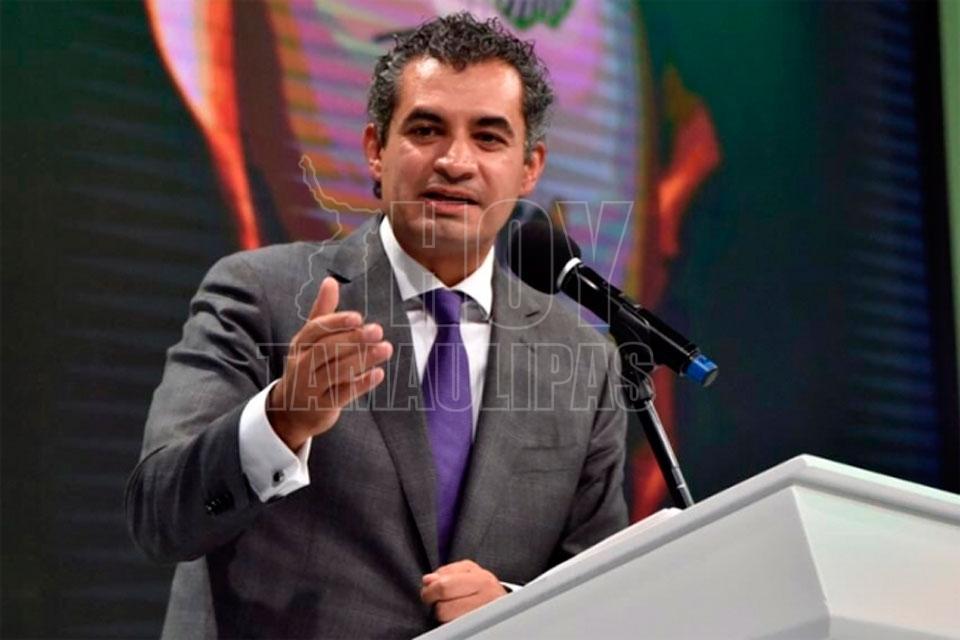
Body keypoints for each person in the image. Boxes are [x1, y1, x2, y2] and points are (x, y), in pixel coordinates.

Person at [126, 12, 629, 639]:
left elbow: (600, 586)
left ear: (529, 168)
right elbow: (158, 516)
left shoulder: (584, 358)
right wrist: (282, 419)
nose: (455, 161)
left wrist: (511, 602)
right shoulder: (260, 294)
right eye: (426, 129)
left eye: (488, 137)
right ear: (375, 149)